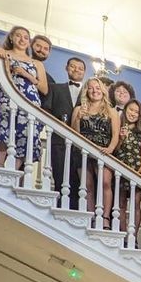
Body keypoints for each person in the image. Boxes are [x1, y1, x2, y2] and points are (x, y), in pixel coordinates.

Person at [0, 26, 48, 168]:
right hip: (7, 95)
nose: (22, 39)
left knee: (26, 133)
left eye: (26, 37)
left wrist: (26, 74)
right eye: (18, 35)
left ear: (29, 42)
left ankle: (15, 169)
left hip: (30, 99)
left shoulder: (37, 63)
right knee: (4, 128)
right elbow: (1, 69)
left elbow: (44, 89)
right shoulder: (2, 52)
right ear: (11, 37)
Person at [71, 78, 120, 221]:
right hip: (83, 151)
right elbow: (74, 132)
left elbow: (116, 134)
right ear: (86, 91)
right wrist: (78, 118)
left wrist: (110, 149)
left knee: (105, 183)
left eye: (98, 88)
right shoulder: (79, 109)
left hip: (103, 151)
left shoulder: (111, 111)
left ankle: (105, 217)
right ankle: (91, 216)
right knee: (88, 185)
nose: (95, 91)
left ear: (103, 91)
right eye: (91, 88)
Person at [43, 55, 87, 205]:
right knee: (60, 178)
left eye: (80, 68)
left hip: (81, 145)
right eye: (73, 66)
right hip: (59, 141)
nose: (76, 70)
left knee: (80, 182)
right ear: (67, 68)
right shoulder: (55, 88)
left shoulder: (90, 94)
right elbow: (46, 111)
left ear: (84, 73)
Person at [113, 99, 141, 234]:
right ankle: (123, 234)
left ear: (140, 114)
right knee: (121, 203)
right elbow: (114, 150)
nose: (133, 113)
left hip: (136, 168)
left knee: (136, 203)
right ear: (125, 110)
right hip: (121, 167)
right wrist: (121, 138)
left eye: (136, 111)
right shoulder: (118, 125)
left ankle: (132, 236)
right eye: (131, 110)